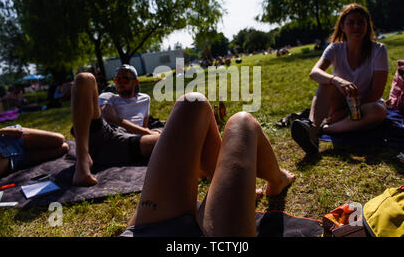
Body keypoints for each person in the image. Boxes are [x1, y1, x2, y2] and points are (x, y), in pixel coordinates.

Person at [121, 92, 295, 237]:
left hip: (144, 232)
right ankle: (276, 180)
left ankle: (221, 189)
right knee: (242, 123)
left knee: (192, 101)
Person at [291, 3, 389, 155]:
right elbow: (314, 72)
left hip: (365, 105)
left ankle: (324, 129)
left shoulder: (379, 50)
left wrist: (344, 112)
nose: (356, 26)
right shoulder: (335, 48)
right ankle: (313, 127)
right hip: (339, 101)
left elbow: (376, 92)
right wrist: (336, 80)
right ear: (342, 26)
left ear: (367, 26)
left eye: (361, 22)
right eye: (351, 23)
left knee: (378, 111)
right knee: (326, 83)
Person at [71, 64, 161, 186]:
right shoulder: (108, 96)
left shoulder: (145, 99)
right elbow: (111, 118)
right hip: (107, 133)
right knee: (84, 78)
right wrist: (147, 133)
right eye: (117, 79)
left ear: (136, 82)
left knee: (171, 137)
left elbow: (143, 125)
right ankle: (83, 161)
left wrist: (149, 131)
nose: (120, 82)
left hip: (127, 141)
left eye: (125, 79)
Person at [0, 125, 69, 184]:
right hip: (18, 162)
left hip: (7, 139)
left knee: (59, 139)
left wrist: (2, 131)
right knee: (64, 148)